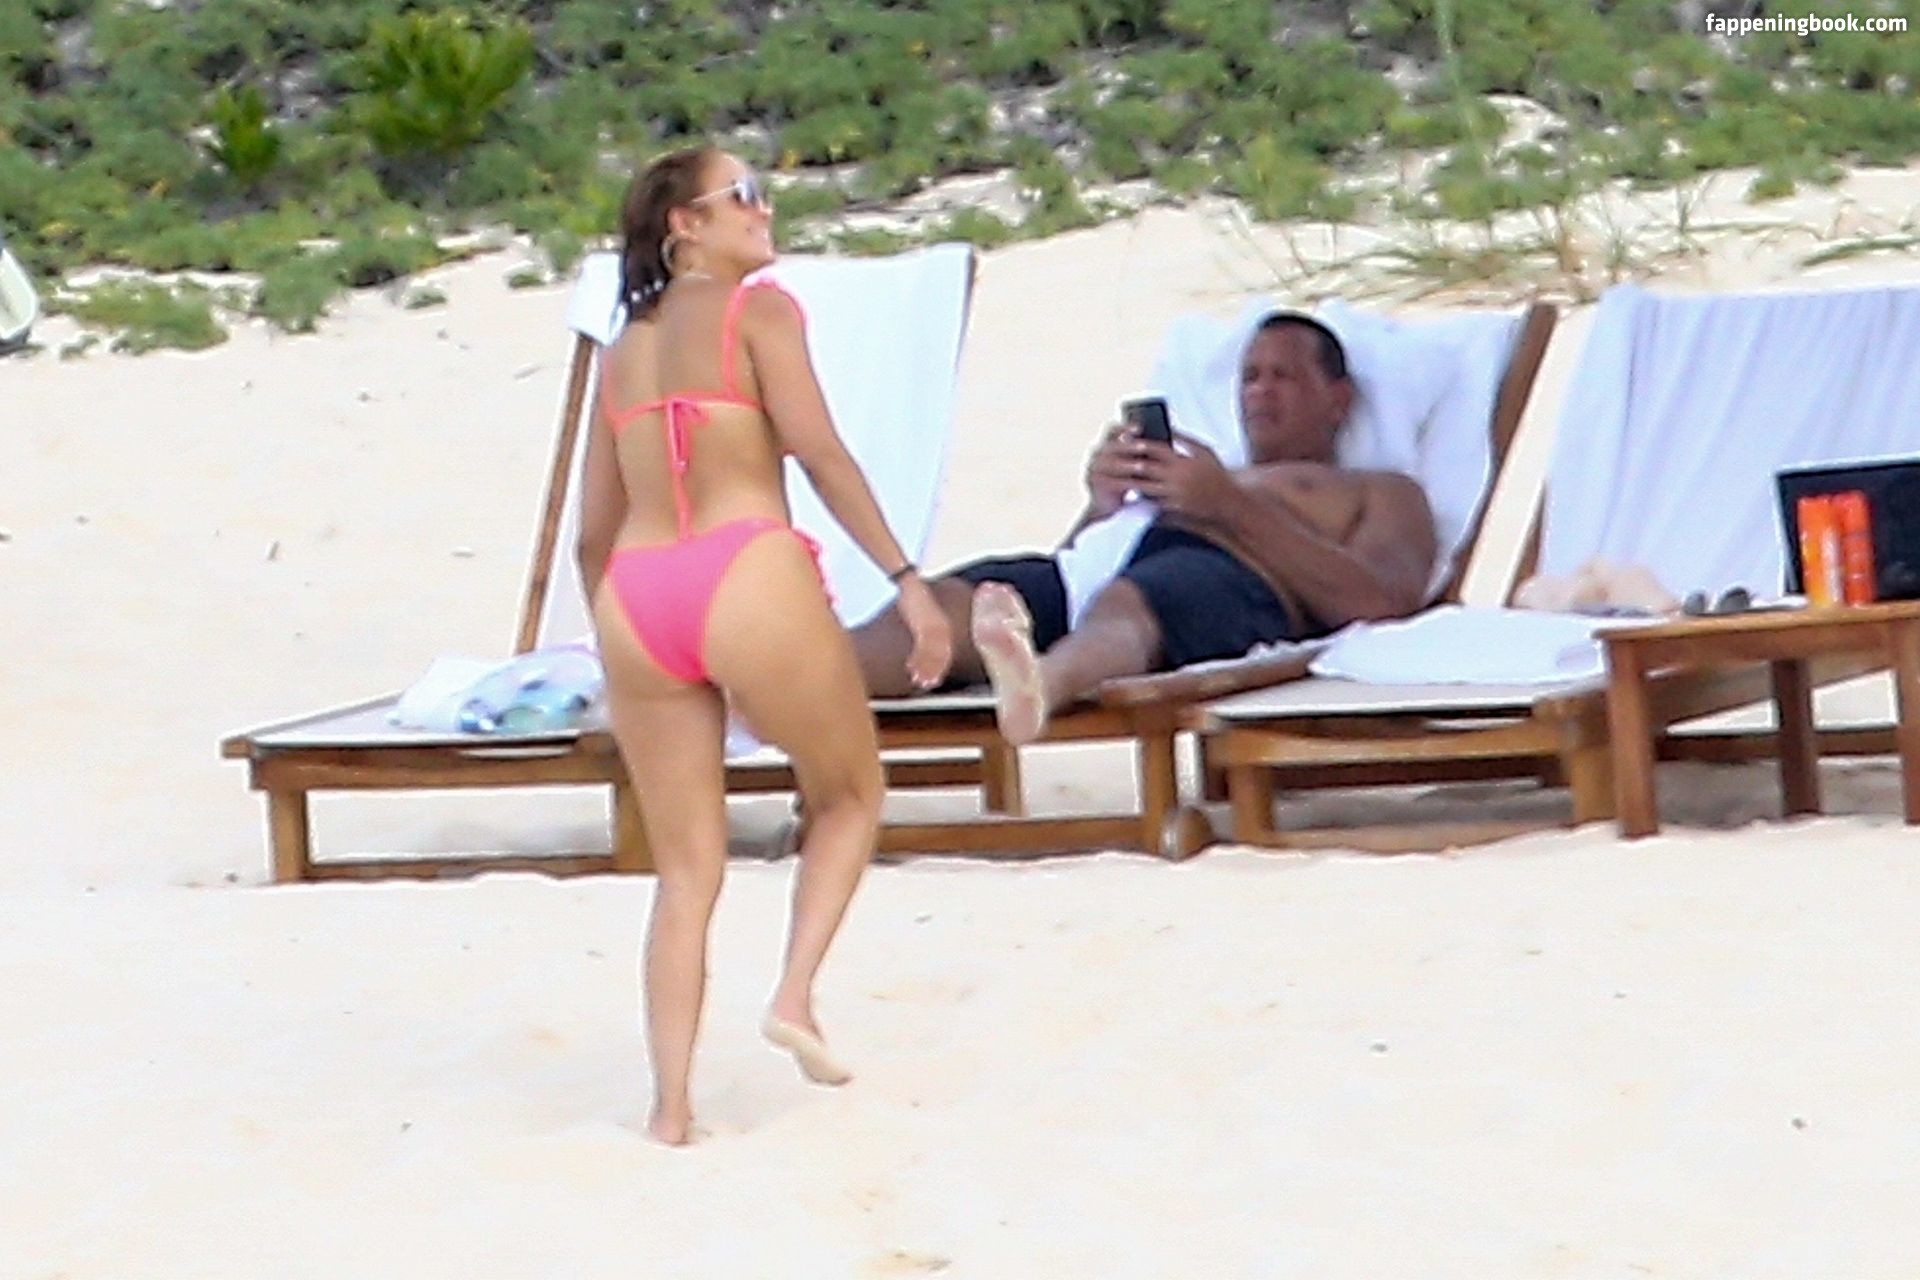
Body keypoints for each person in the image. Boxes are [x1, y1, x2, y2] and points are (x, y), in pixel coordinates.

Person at [576, 146, 952, 1146]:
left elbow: (591, 531)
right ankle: (793, 994)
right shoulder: (761, 312)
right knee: (849, 793)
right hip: (743, 565)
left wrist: (612, 647)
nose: (764, 207)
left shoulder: (622, 349)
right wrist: (907, 579)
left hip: (637, 591)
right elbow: (818, 453)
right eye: (741, 194)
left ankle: (670, 1109)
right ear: (685, 225)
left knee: (685, 872)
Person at [850, 312, 1439, 744]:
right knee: (954, 602)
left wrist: (1228, 505)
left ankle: (1042, 686)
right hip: (1106, 568)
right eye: (1250, 376)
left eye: (1283, 376)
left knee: (1129, 603)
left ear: (1338, 398)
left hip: (1220, 573)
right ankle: (814, 674)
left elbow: (1383, 599)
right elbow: (1081, 562)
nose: (1260, 391)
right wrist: (1101, 506)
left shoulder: (1380, 489)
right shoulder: (1211, 468)